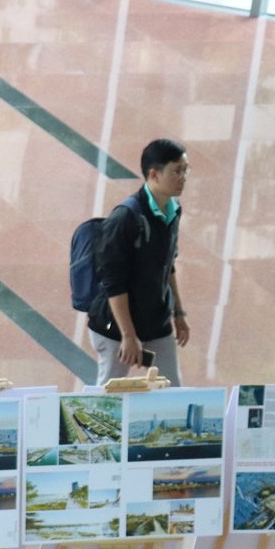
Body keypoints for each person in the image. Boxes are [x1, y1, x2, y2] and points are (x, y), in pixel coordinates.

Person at [87, 138, 191, 387]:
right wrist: (128, 335)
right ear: (154, 174)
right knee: (110, 394)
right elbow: (114, 282)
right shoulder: (125, 218)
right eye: (176, 171)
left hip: (155, 320)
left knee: (172, 388)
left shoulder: (172, 210)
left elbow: (168, 265)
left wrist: (178, 312)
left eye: (185, 170)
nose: (183, 178)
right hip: (115, 327)